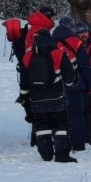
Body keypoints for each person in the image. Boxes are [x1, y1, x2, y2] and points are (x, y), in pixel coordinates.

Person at [20, 28, 77, 162]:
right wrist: (68, 85)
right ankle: (62, 154)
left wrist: (24, 97)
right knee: (62, 125)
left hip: (36, 99)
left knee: (41, 126)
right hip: (57, 96)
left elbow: (23, 81)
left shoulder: (27, 56)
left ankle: (46, 154)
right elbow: (69, 77)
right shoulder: (58, 53)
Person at [53, 17, 91, 153]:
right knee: (76, 116)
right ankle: (78, 145)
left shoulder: (52, 42)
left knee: (60, 117)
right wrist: (89, 84)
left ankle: (60, 144)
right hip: (76, 85)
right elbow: (84, 66)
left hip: (57, 86)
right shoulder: (76, 42)